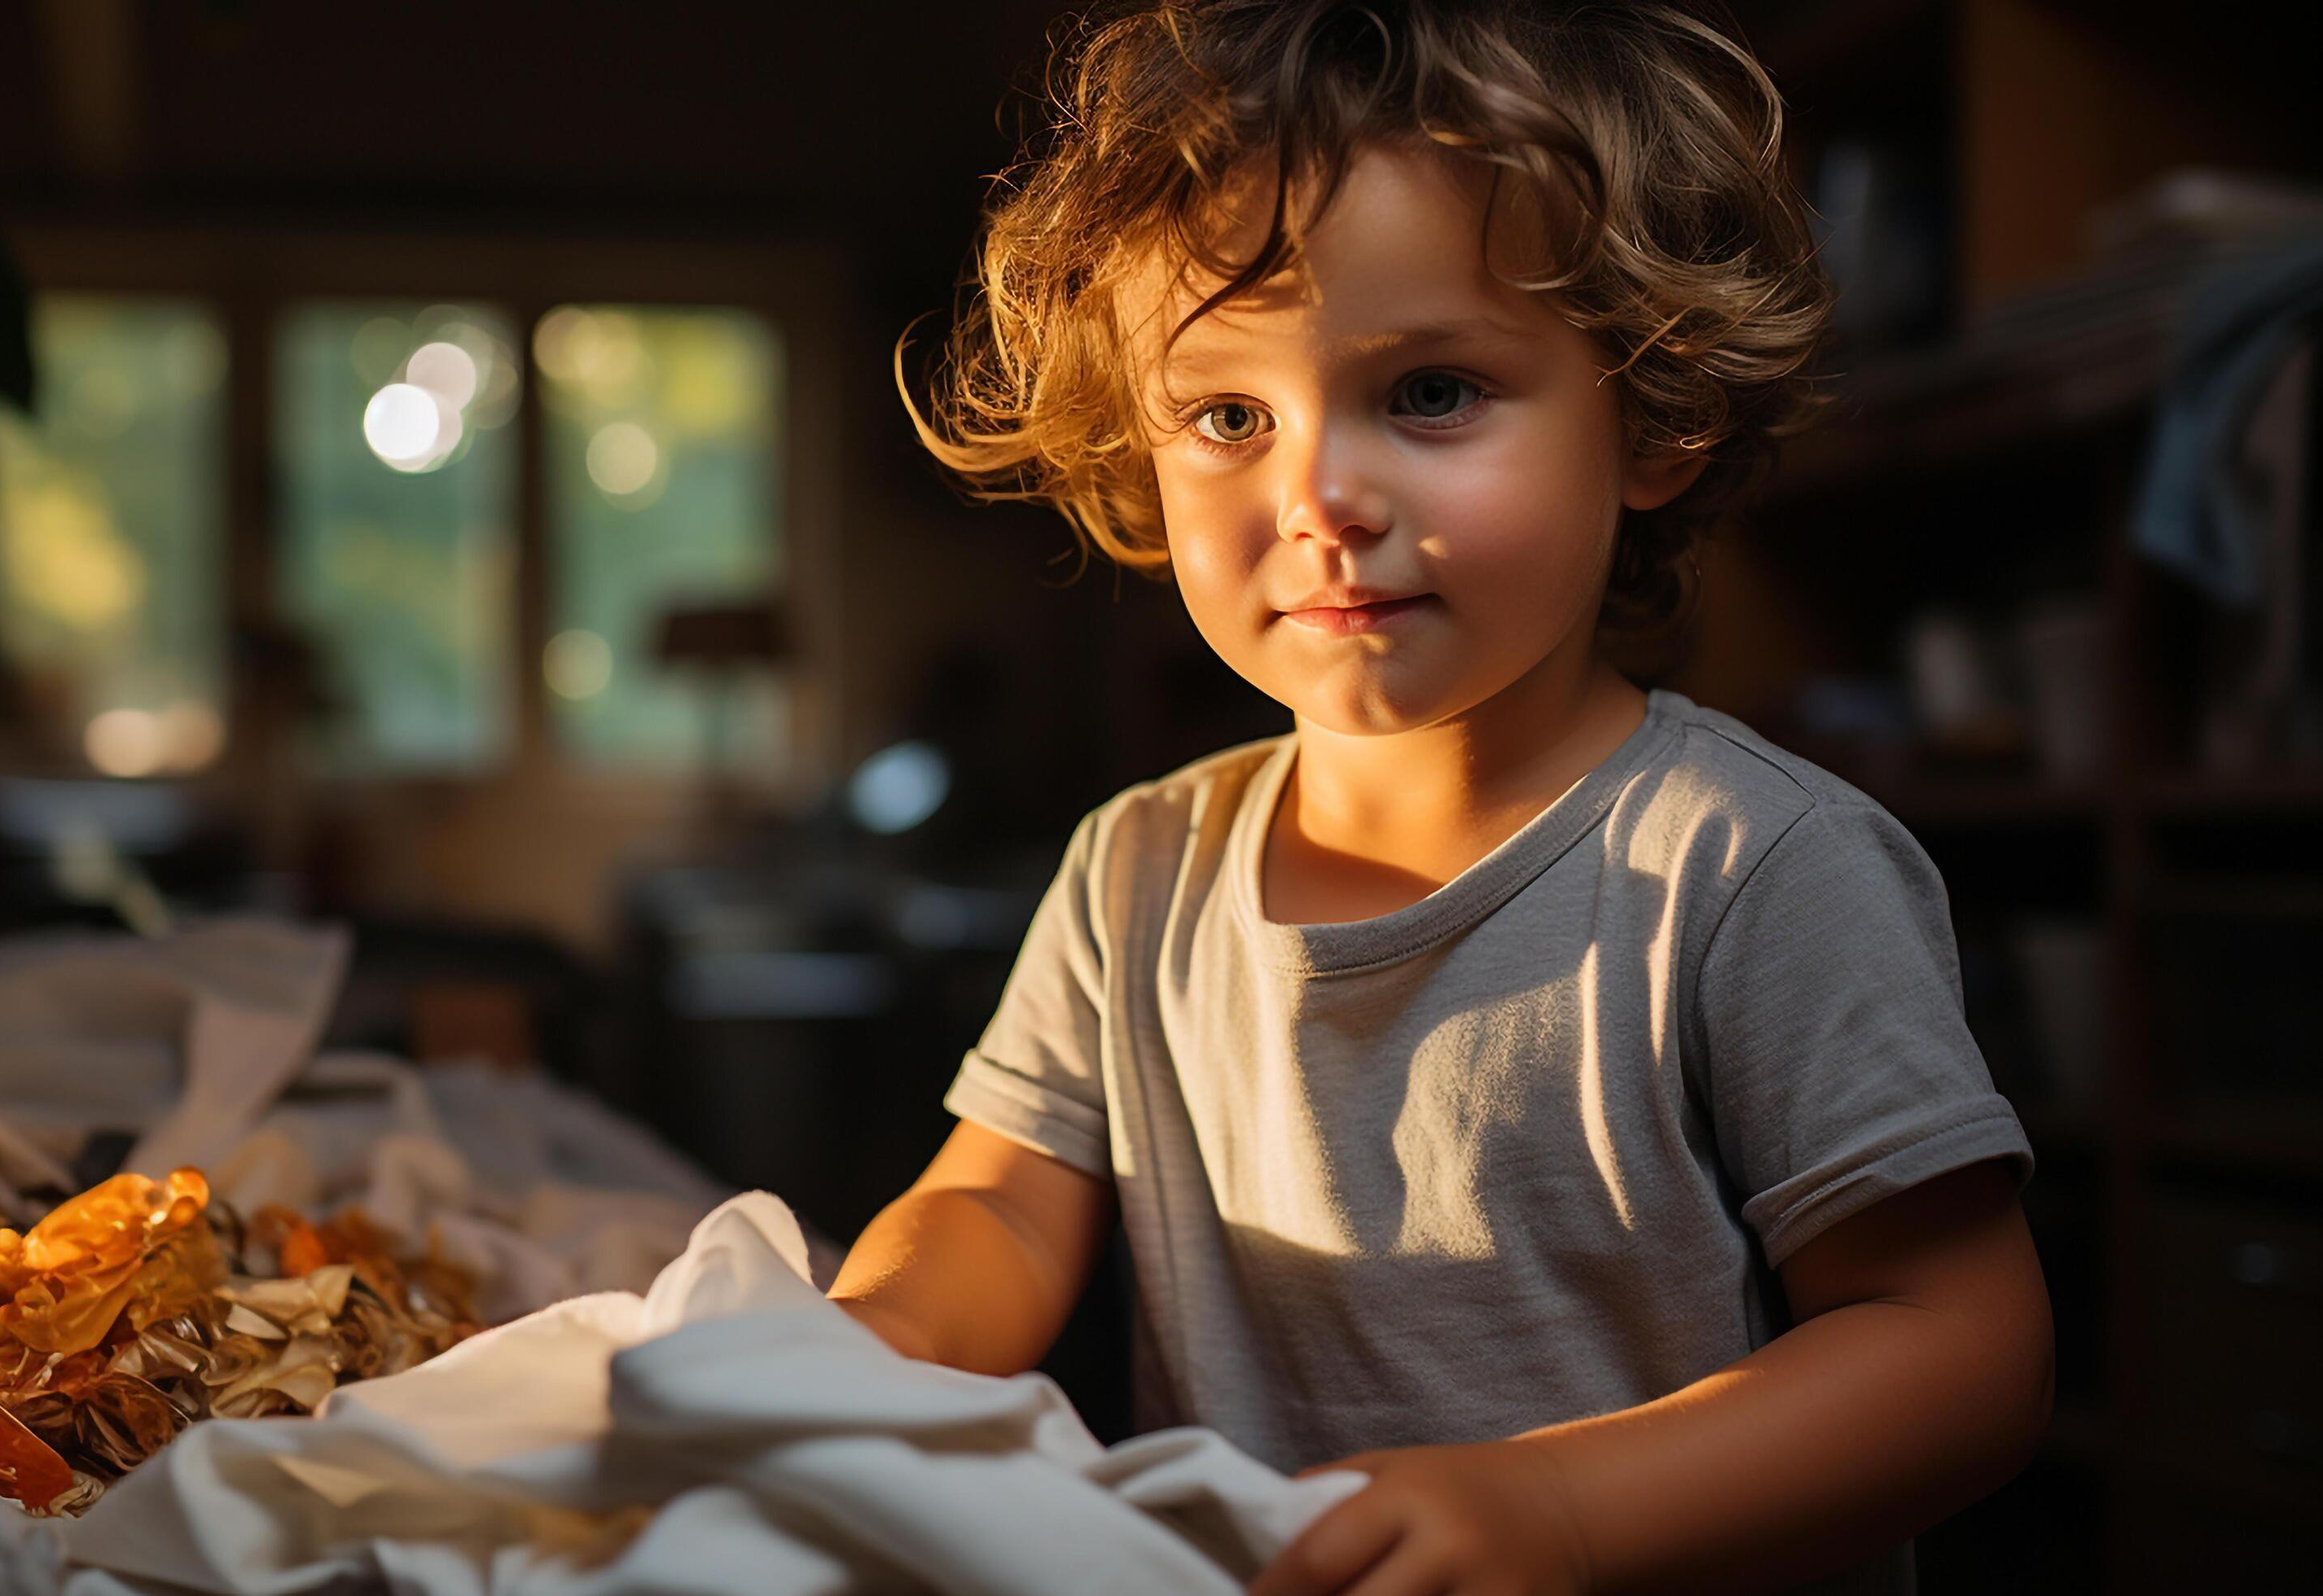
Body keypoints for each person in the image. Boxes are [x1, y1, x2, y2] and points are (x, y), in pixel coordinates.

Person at [827, 3, 2054, 1592]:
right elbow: (993, 1203)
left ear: (1654, 411)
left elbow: (1957, 1350)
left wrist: (1558, 1509)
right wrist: (865, 1340)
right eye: (1225, 415)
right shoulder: (1137, 866)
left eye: (1427, 393)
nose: (1315, 497)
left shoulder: (1749, 866)